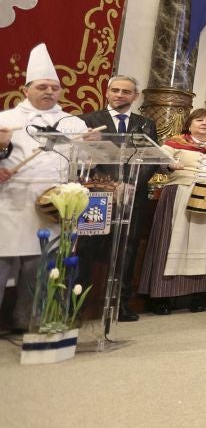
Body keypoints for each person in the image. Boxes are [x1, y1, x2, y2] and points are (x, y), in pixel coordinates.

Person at [0, 45, 90, 332]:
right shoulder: (5, 120)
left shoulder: (73, 123)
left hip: (50, 205)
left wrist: (90, 147)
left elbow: (84, 163)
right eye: (42, 87)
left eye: (54, 87)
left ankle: (30, 322)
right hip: (9, 201)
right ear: (26, 89)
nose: (49, 92)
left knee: (39, 269)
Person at [139, 109, 206, 315]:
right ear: (189, 124)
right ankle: (162, 297)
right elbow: (158, 160)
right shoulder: (174, 143)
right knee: (173, 242)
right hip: (181, 196)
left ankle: (199, 295)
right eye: (199, 120)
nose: (204, 123)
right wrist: (169, 165)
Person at [79, 74, 158, 321]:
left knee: (127, 249)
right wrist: (112, 184)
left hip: (132, 197)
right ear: (107, 92)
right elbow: (82, 157)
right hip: (97, 197)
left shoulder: (146, 124)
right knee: (88, 249)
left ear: (135, 96)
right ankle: (78, 305)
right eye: (115, 90)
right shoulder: (88, 120)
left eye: (126, 91)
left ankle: (119, 305)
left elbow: (151, 159)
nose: (119, 95)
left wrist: (131, 184)